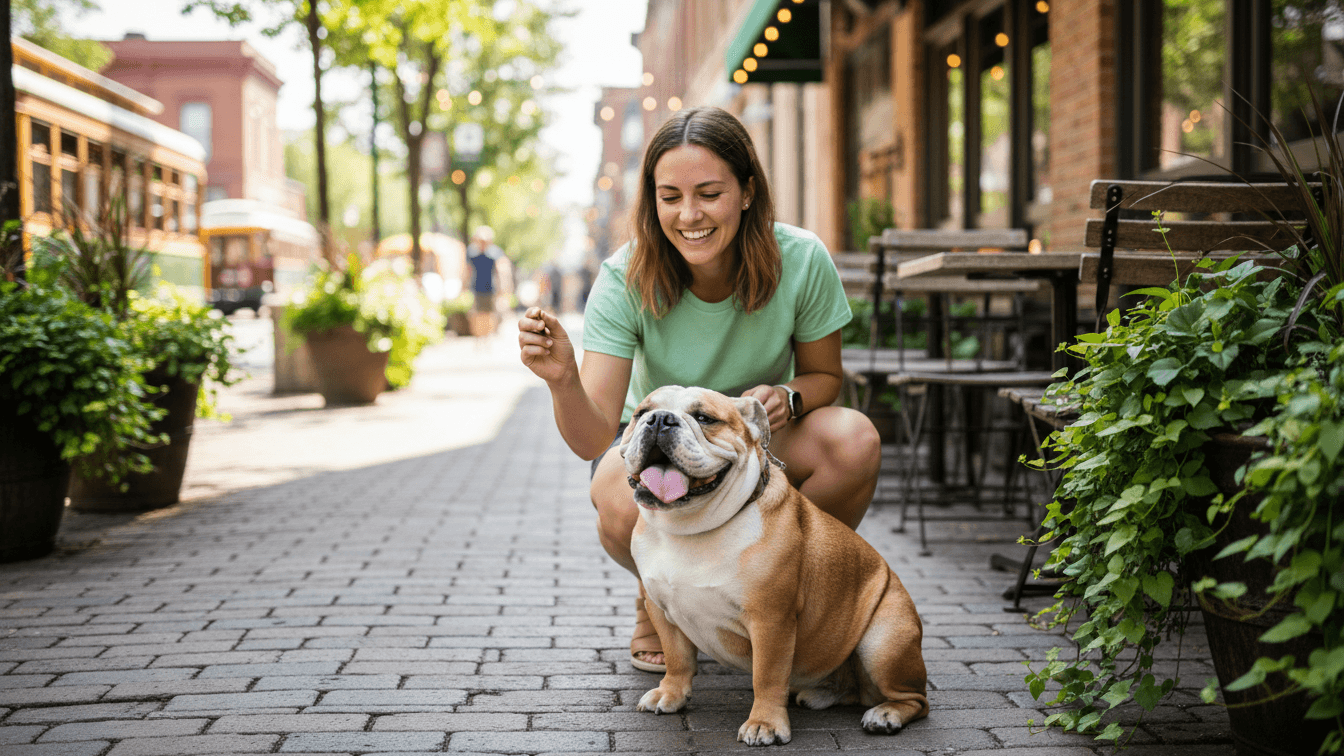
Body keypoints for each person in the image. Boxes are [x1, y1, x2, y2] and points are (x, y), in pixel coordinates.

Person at [516, 106, 880, 673]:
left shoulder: (802, 258)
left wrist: (790, 397)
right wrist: (563, 380)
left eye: (709, 194)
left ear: (747, 192)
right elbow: (593, 438)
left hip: (756, 439)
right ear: (652, 200)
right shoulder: (623, 277)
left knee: (854, 441)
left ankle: (778, 589)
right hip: (660, 446)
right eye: (670, 197)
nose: (689, 215)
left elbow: (825, 377)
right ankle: (659, 597)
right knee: (613, 494)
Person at [467, 225, 503, 335]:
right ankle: (479, 336)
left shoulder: (494, 254)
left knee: (489, 314)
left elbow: (499, 271)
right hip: (476, 288)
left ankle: (487, 336)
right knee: (476, 314)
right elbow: (468, 270)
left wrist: (501, 287)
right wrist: (464, 286)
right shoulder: (472, 253)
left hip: (490, 288)